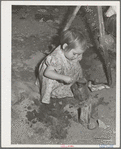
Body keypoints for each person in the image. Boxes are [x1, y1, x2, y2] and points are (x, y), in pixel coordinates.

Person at [35, 28, 87, 104]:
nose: (77, 56)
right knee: (50, 82)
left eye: (79, 54)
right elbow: (47, 73)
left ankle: (72, 84)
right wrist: (63, 77)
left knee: (75, 67)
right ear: (65, 47)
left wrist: (78, 55)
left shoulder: (70, 52)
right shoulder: (56, 57)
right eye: (75, 54)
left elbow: (77, 55)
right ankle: (51, 94)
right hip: (52, 74)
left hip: (64, 67)